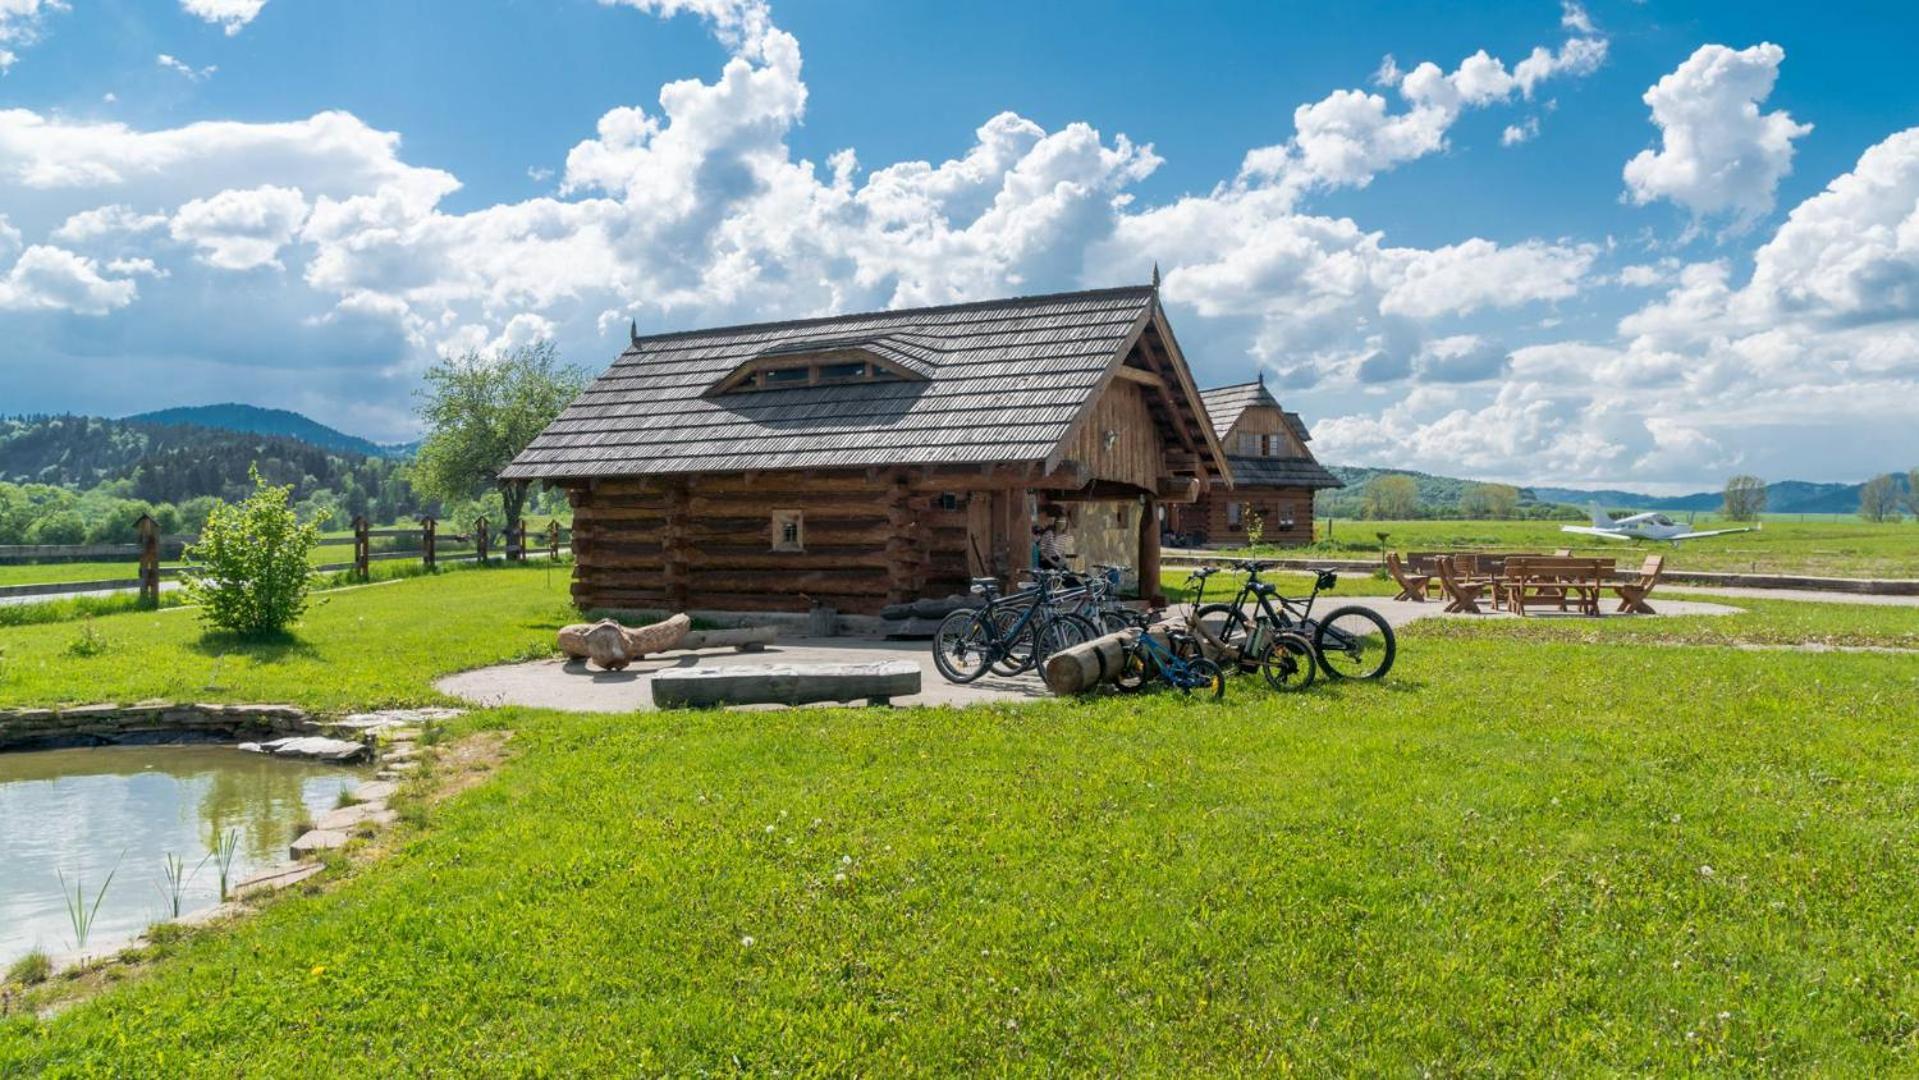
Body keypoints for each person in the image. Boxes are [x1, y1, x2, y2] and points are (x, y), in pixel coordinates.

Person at [1033, 504, 1072, 573]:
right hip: (1047, 561)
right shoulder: (1049, 533)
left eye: (1064, 523)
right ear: (1056, 523)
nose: (1062, 524)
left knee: (1068, 575)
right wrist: (1052, 561)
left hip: (1056, 561)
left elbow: (1061, 551)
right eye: (1060, 522)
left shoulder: (1062, 537)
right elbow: (1041, 550)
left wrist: (1062, 559)